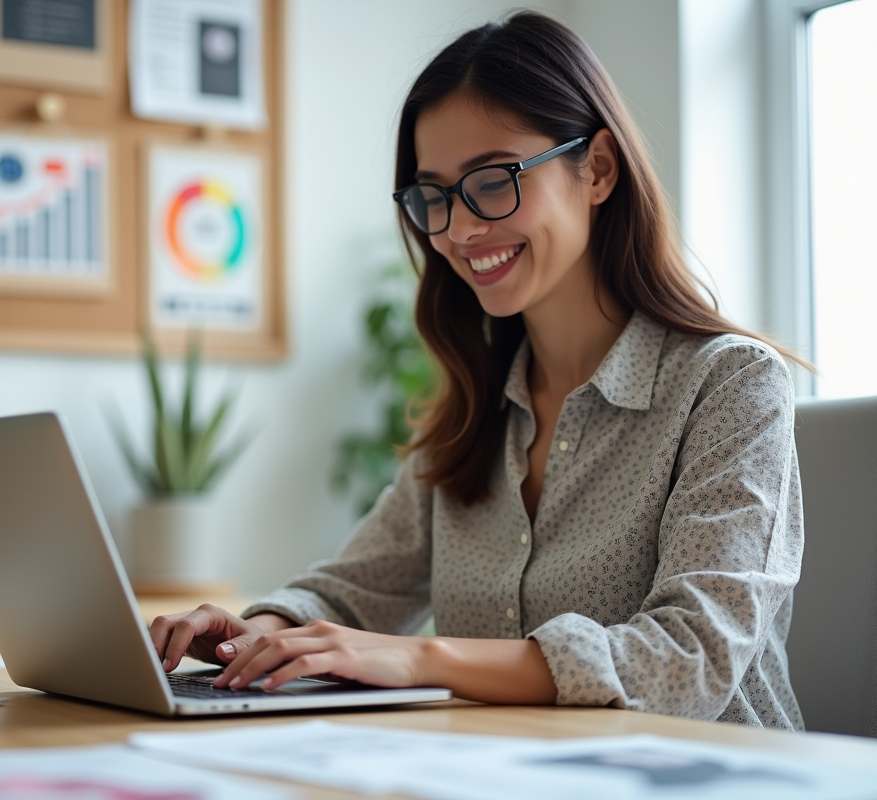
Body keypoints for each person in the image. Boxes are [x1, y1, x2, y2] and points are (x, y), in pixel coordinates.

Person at [148, 11, 805, 729]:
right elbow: (350, 593)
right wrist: (256, 632)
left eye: (492, 181)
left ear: (600, 169)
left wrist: (421, 658)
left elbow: (688, 659)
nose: (460, 229)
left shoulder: (731, 386)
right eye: (434, 195)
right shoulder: (474, 409)